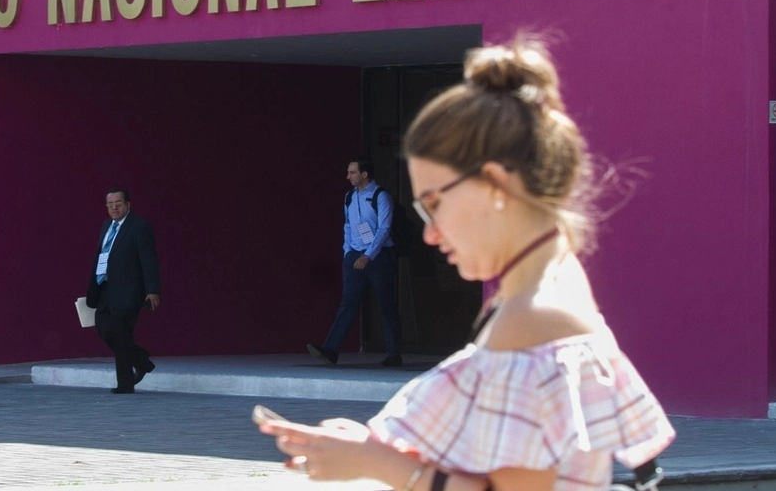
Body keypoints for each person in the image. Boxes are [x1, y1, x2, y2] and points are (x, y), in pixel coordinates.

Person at [261, 36, 675, 490]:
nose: (430, 233)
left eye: (434, 204)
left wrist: (377, 464)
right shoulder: (551, 284)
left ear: (495, 185)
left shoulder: (529, 317)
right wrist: (368, 449)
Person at [308, 156, 402, 368]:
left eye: (352, 172)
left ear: (364, 174)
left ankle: (394, 353)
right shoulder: (349, 197)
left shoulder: (380, 196)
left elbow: (384, 229)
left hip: (378, 257)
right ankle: (331, 350)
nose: (348, 176)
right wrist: (348, 251)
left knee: (386, 305)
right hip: (354, 256)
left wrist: (368, 255)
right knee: (348, 302)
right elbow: (348, 225)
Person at [85, 188, 161, 394]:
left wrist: (152, 290)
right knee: (103, 326)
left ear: (128, 204)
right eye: (110, 204)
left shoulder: (139, 226)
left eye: (118, 203)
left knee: (121, 333)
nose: (114, 207)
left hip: (129, 290)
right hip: (105, 288)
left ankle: (125, 384)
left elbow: (148, 260)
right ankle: (141, 360)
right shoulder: (106, 226)